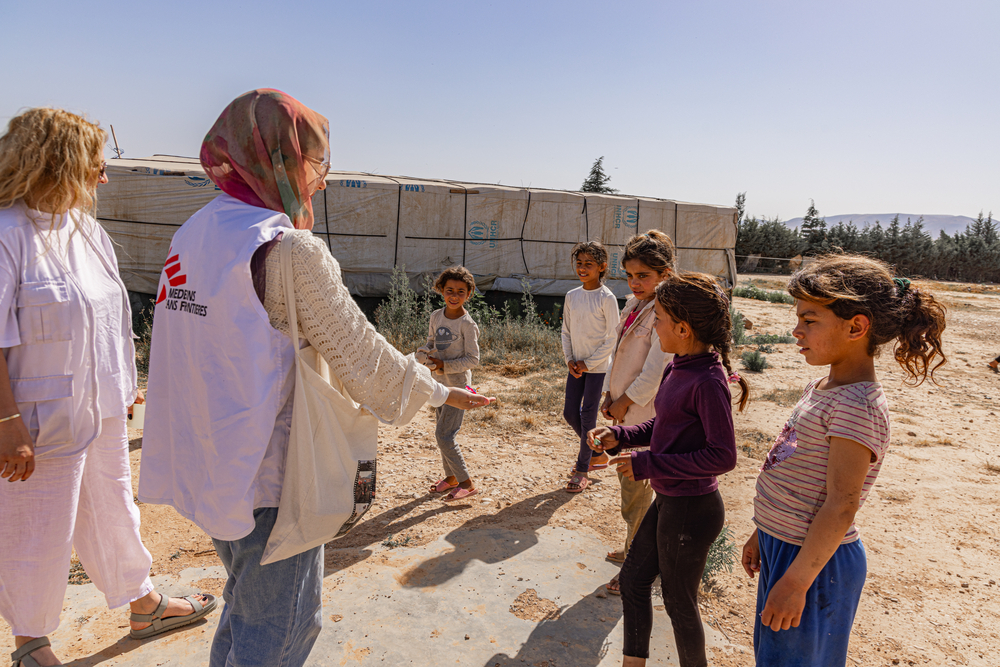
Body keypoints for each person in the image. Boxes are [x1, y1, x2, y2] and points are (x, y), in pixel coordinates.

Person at [137, 89, 491, 667]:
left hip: (206, 459)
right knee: (281, 630)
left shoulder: (196, 232)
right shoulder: (288, 249)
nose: (321, 181)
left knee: (244, 607)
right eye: (312, 163)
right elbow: (363, 361)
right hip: (268, 476)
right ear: (276, 159)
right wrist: (441, 389)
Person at [0, 108, 215, 667]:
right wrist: (6, 424)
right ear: (59, 163)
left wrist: (125, 383)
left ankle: (143, 602)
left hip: (101, 409)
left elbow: (111, 315)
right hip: (35, 422)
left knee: (113, 505)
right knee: (37, 530)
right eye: (95, 164)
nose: (103, 176)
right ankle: (31, 643)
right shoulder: (6, 235)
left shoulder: (84, 229)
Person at [740, 256, 946, 667]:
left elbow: (841, 504)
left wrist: (797, 579)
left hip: (817, 566)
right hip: (790, 549)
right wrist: (762, 533)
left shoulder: (857, 405)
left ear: (856, 326)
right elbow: (797, 471)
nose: (796, 331)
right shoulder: (825, 386)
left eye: (810, 320)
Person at [587, 272, 748, 667]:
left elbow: (723, 456)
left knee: (679, 604)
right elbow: (665, 425)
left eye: (657, 318)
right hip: (671, 500)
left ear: (682, 327)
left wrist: (648, 463)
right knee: (633, 581)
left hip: (693, 509)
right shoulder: (679, 366)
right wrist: (622, 436)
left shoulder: (709, 381)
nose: (653, 325)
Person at [599, 230, 675, 594]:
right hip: (624, 411)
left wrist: (624, 400)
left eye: (643, 275)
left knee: (638, 493)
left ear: (665, 273)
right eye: (630, 275)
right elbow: (618, 356)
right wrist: (607, 393)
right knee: (632, 490)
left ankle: (638, 566)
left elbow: (655, 370)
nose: (634, 282)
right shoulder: (634, 304)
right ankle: (634, 550)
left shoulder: (665, 311)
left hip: (642, 415)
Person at [562, 240, 619, 493]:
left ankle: (582, 469)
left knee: (587, 416)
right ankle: (597, 454)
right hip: (575, 366)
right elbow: (566, 331)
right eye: (579, 263)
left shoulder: (606, 298)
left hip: (597, 369)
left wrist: (590, 363)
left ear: (602, 267)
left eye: (589, 264)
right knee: (570, 414)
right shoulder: (572, 296)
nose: (582, 268)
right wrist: (570, 360)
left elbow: (612, 337)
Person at [423, 266, 481, 501]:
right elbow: (430, 342)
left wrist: (443, 365)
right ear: (441, 291)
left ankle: (466, 483)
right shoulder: (436, 316)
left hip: (458, 388)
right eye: (449, 290)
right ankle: (451, 478)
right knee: (441, 432)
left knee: (445, 435)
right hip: (438, 385)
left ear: (469, 294)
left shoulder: (468, 325)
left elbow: (473, 360)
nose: (454, 296)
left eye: (460, 291)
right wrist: (423, 354)